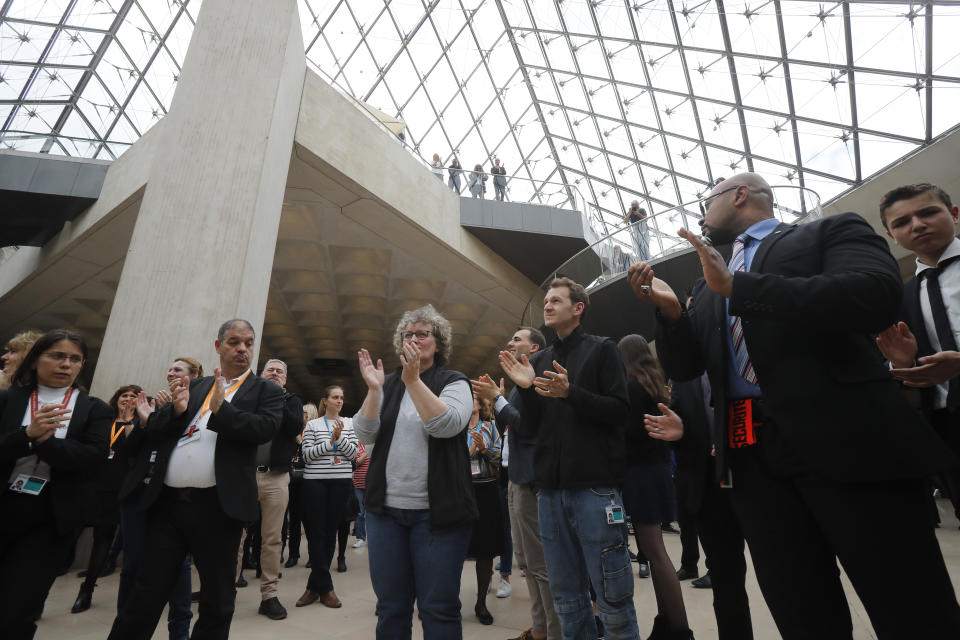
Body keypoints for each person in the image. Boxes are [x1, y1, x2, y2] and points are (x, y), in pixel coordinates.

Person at [628, 172, 960, 639]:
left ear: (740, 195)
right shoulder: (705, 286)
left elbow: (875, 295)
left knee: (909, 603)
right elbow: (685, 369)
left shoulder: (828, 232)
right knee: (799, 609)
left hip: (851, 444)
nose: (701, 215)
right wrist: (672, 315)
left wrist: (740, 288)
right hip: (752, 460)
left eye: (707, 202)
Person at [107, 319, 283, 640]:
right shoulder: (198, 386)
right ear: (218, 346)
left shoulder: (265, 390)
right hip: (168, 506)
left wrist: (222, 410)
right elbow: (160, 429)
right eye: (233, 342)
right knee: (145, 594)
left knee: (217, 601)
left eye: (248, 343)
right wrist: (171, 413)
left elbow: (264, 430)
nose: (242, 349)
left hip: (218, 509)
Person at [500, 278, 639, 639]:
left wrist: (570, 392)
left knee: (613, 597)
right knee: (566, 598)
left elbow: (620, 412)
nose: (547, 305)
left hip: (594, 490)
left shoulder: (602, 350)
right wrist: (527, 391)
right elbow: (530, 427)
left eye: (556, 300)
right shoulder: (540, 359)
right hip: (549, 492)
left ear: (578, 308)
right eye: (546, 300)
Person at [355, 304, 476, 639]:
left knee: (438, 609)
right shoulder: (388, 383)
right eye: (408, 334)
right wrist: (374, 391)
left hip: (437, 516)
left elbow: (446, 425)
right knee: (391, 607)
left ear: (438, 344)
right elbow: (364, 436)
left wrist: (413, 382)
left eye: (422, 334)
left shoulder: (455, 382)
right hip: (385, 514)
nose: (414, 339)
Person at [0, 329, 112, 640]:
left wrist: (44, 443)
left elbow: (93, 457)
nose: (66, 364)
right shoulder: (8, 399)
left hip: (51, 517)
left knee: (17, 607)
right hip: (5, 501)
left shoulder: (95, 408)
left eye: (75, 359)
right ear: (35, 360)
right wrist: (26, 435)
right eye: (57, 356)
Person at [876, 184, 960, 525]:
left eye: (927, 213)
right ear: (892, 235)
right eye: (902, 222)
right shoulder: (902, 296)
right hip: (947, 426)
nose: (917, 225)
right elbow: (907, 374)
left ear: (954, 214)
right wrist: (902, 363)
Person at [473, 326, 560, 640]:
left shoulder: (538, 380)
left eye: (517, 339)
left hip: (532, 478)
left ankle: (551, 631)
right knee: (525, 560)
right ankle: (539, 628)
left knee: (540, 564)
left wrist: (496, 400)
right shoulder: (518, 384)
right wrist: (497, 401)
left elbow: (528, 427)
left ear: (534, 348)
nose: (510, 342)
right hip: (514, 477)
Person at [117, 358, 200, 640]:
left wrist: (172, 414)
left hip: (171, 496)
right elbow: (129, 451)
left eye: (178, 369)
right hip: (137, 493)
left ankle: (180, 631)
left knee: (180, 567)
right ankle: (126, 625)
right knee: (132, 565)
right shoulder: (151, 404)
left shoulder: (198, 408)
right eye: (169, 369)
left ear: (193, 376)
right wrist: (143, 422)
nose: (170, 373)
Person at [617, 335, 693, 640]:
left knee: (655, 553)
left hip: (641, 475)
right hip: (658, 471)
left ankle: (680, 631)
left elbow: (626, 434)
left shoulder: (634, 390)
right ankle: (665, 622)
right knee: (655, 550)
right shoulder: (655, 386)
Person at [234, 358, 302, 620]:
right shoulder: (248, 397)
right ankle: (223, 589)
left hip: (275, 479)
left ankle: (269, 595)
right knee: (235, 536)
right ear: (260, 374)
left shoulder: (291, 401)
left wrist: (276, 397)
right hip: (244, 476)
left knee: (272, 538)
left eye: (280, 371)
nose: (275, 373)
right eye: (270, 370)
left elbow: (295, 426)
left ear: (285, 379)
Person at [71, 384, 142, 614]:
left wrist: (130, 420)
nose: (128, 398)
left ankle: (87, 589)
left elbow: (136, 451)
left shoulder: (139, 425)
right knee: (70, 533)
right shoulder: (104, 420)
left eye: (133, 396)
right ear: (116, 398)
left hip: (117, 489)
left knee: (103, 538)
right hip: (90, 485)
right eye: (124, 395)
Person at [296, 384, 358, 608]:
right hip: (315, 483)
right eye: (335, 397)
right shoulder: (312, 424)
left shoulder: (349, 423)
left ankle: (315, 587)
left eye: (342, 397)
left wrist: (340, 438)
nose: (340, 401)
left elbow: (352, 453)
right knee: (315, 532)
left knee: (331, 530)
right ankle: (325, 587)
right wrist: (330, 442)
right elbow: (307, 455)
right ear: (325, 400)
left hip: (340, 483)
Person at [465, 394, 504, 625]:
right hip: (463, 491)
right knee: (455, 545)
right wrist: (471, 451)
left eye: (471, 398)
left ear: (479, 404)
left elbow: (500, 457)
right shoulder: (456, 428)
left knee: (486, 549)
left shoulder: (490, 427)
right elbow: (449, 461)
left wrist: (485, 449)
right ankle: (446, 600)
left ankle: (481, 602)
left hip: (487, 490)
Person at [284, 401, 317, 568]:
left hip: (308, 480)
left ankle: (312, 556)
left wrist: (299, 441)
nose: (301, 416)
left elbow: (314, 454)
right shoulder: (293, 430)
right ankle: (293, 555)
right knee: (294, 519)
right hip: (292, 479)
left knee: (309, 521)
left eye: (304, 413)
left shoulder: (314, 432)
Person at [351, 440, 371, 548]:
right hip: (358, 485)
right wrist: (366, 453)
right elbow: (355, 463)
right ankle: (360, 538)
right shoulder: (356, 446)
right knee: (360, 513)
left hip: (372, 485)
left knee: (372, 513)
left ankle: (372, 538)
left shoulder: (375, 444)